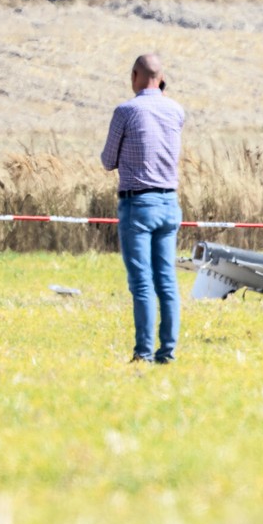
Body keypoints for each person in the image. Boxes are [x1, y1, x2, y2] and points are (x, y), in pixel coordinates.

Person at [100, 54, 187, 364]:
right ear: (161, 77)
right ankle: (169, 352)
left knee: (142, 282)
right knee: (166, 279)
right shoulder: (176, 110)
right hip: (169, 203)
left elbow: (108, 161)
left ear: (135, 75)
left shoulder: (126, 111)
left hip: (138, 204)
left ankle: (143, 352)